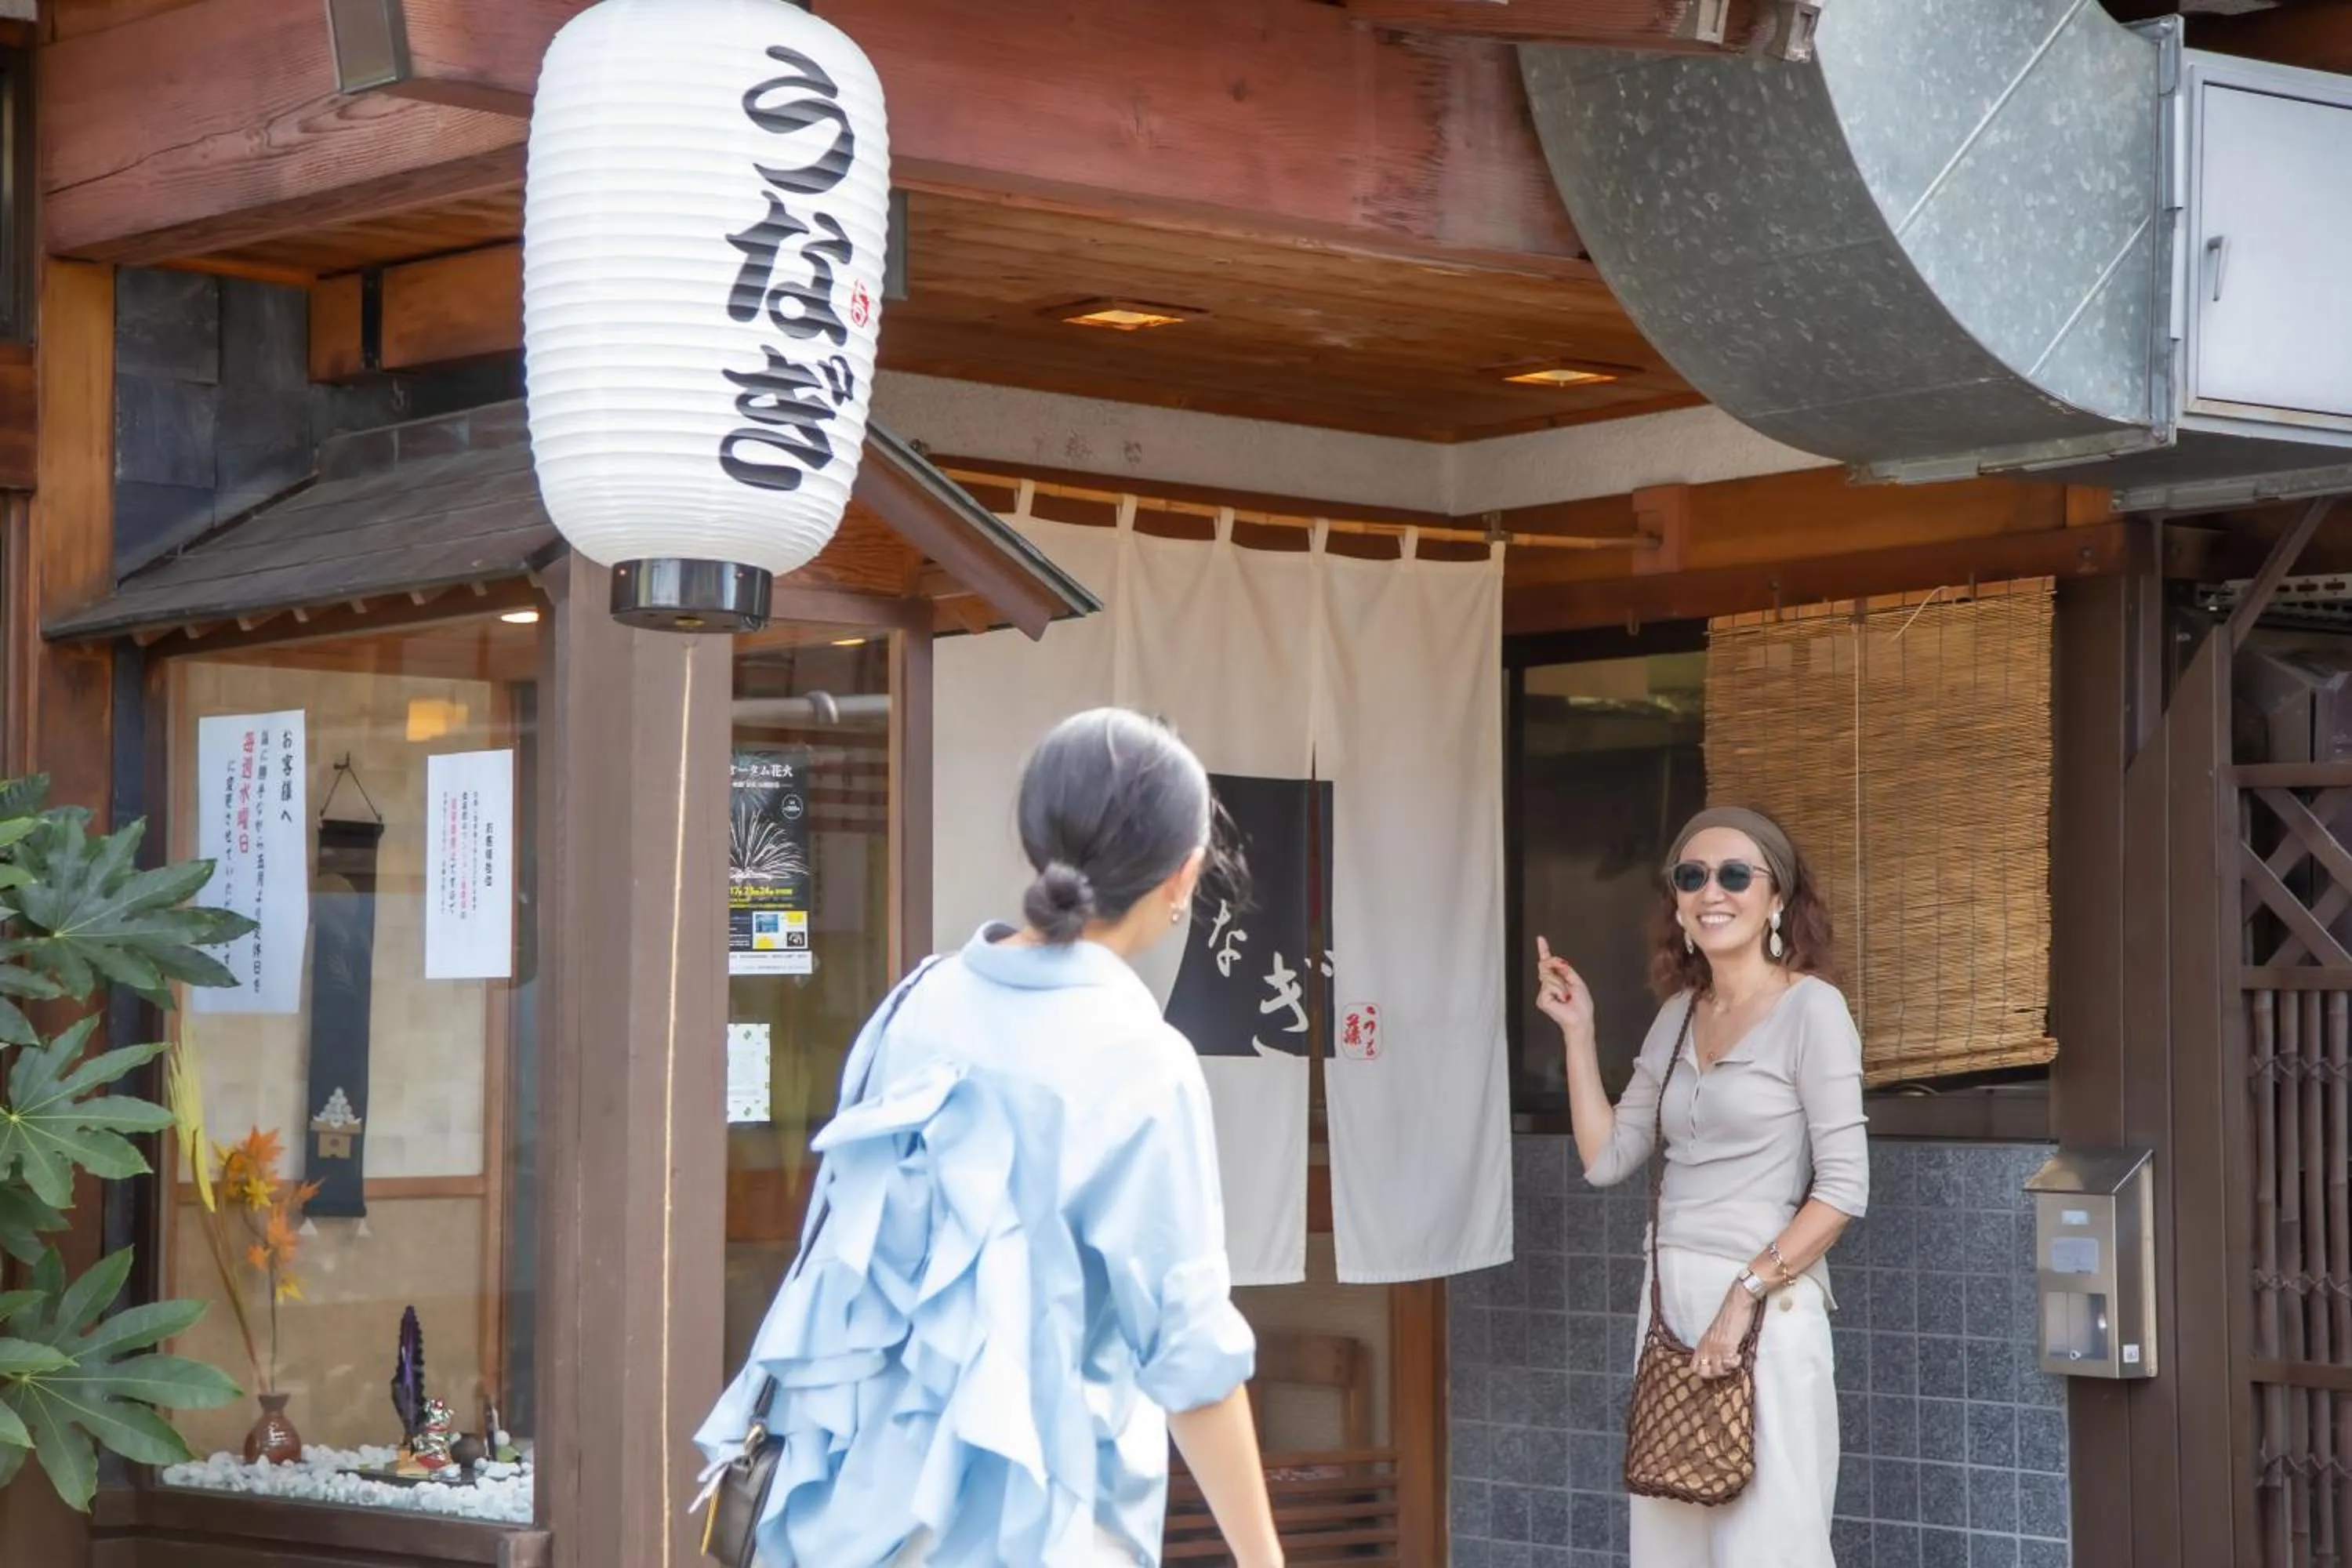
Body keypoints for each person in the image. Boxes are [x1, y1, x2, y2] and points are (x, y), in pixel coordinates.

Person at [697, 707, 1282, 1568]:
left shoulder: (917, 1001)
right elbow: (1190, 1352)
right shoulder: (1143, 1060)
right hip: (1035, 1525)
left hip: (850, 1519)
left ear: (1033, 839)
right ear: (1184, 875)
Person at [1534, 805, 1867, 1567]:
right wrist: (1580, 1033)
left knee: (1768, 1547)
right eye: (1691, 875)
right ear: (1678, 903)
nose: (1711, 889)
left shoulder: (1812, 1009)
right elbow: (1609, 1157)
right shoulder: (1679, 1015)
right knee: (1669, 1547)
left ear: (1776, 897)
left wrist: (1745, 1290)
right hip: (1669, 1311)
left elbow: (1844, 1187)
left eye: (1734, 873)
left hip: (1767, 1310)